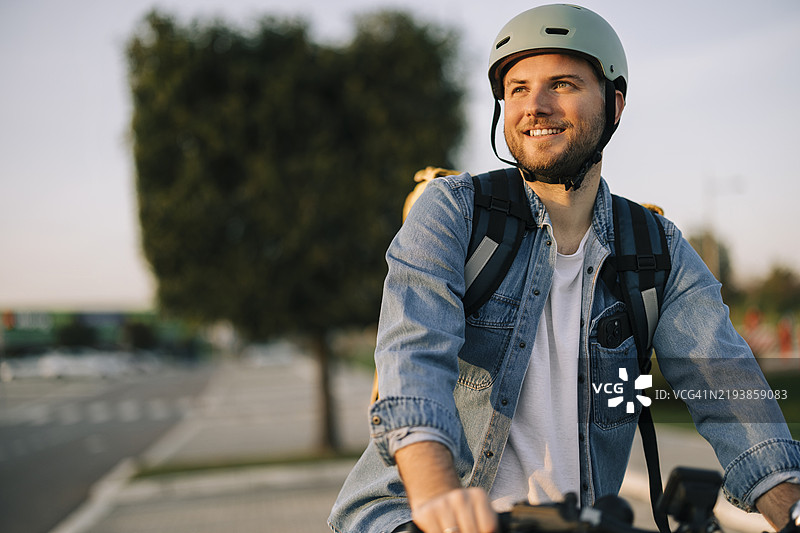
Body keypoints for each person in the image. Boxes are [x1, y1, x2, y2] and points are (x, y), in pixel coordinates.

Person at [328, 5, 800, 533]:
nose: (537, 106)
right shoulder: (454, 212)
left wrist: (790, 504)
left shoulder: (654, 248)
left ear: (615, 105)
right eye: (518, 89)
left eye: (563, 84)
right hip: (412, 516)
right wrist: (439, 497)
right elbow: (413, 357)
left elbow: (728, 384)